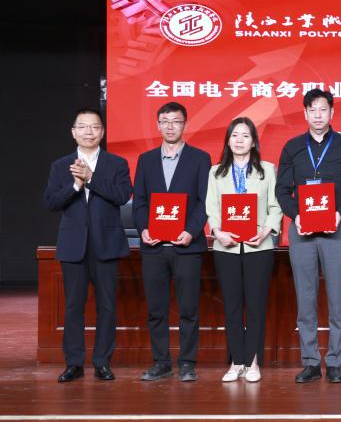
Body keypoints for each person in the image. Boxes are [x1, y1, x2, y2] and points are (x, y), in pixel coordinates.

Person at [277, 89, 341, 384]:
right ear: (304, 113)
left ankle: (335, 361)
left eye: (323, 109)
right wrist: (296, 215)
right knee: (305, 298)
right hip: (302, 230)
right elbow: (282, 190)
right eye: (312, 110)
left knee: (338, 298)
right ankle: (311, 361)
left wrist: (339, 213)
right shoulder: (292, 147)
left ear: (332, 113)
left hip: (336, 229)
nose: (318, 115)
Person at [44, 108, 132, 382]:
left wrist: (92, 178)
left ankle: (102, 362)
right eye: (82, 127)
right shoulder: (60, 165)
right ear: (74, 132)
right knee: (73, 307)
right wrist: (75, 185)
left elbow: (122, 196)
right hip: (74, 246)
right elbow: (51, 202)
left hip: (106, 244)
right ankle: (74, 363)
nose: (89, 132)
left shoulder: (117, 163)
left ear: (102, 132)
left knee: (107, 306)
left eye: (94, 127)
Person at [133, 102, 211, 382]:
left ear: (184, 125)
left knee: (189, 309)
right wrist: (143, 229)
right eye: (165, 121)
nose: (170, 126)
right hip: (153, 247)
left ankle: (187, 362)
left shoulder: (200, 158)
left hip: (187, 247)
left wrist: (191, 231)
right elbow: (139, 202)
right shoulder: (146, 160)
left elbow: (204, 201)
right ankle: (161, 362)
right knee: (156, 309)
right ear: (158, 125)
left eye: (175, 121)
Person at [206, 117, 282, 383]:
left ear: (253, 142)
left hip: (258, 246)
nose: (239, 140)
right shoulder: (216, 172)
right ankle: (236, 361)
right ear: (228, 140)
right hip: (225, 247)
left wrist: (266, 230)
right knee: (232, 306)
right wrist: (218, 232)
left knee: (256, 305)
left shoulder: (267, 170)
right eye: (235, 135)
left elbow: (275, 206)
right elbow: (211, 208)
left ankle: (252, 361)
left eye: (245, 135)